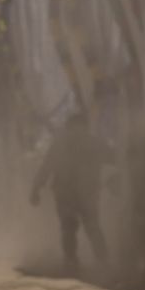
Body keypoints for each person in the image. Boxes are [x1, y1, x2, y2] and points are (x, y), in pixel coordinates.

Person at [30, 113, 115, 274]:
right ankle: (74, 261)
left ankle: (101, 262)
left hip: (86, 193)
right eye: (74, 128)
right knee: (71, 227)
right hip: (66, 193)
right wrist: (35, 188)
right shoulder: (63, 145)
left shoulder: (94, 144)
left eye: (79, 127)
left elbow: (116, 159)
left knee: (90, 227)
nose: (77, 131)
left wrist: (115, 179)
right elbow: (46, 167)